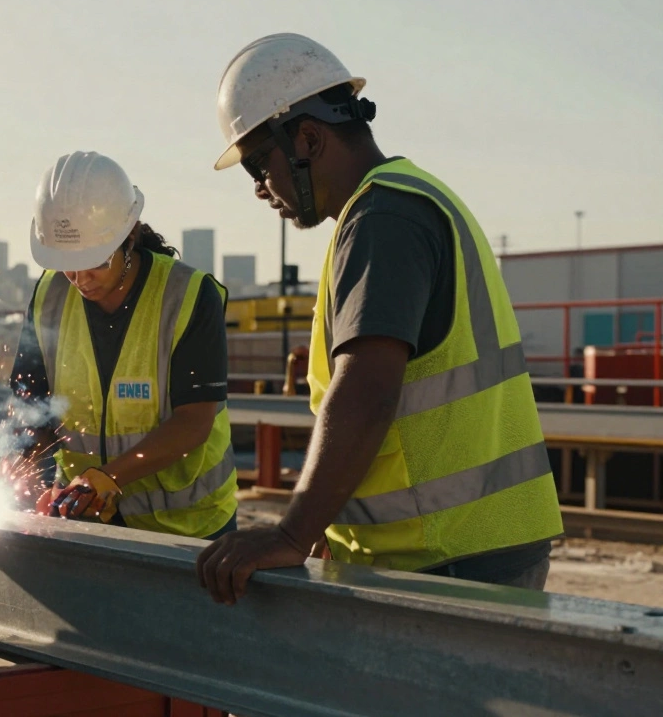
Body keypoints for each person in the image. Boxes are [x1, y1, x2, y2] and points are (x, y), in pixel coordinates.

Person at [197, 34, 563, 603]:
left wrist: (295, 531)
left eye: (257, 164)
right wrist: (333, 525)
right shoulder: (407, 200)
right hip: (468, 546)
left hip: (447, 558)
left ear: (309, 138)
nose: (260, 190)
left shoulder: (384, 217)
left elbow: (367, 393)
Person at [12, 151, 239, 539]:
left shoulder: (187, 295)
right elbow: (34, 408)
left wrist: (108, 477)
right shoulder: (50, 295)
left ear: (128, 238)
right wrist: (24, 464)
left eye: (95, 262)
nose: (80, 278)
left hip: (188, 527)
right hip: (83, 517)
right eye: (68, 262)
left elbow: (194, 421)